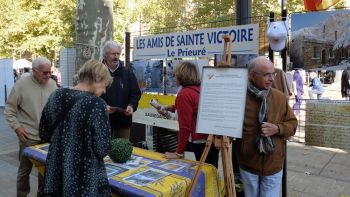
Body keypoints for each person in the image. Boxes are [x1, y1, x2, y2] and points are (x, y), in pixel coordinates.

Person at [39, 59, 113, 196]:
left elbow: (44, 133)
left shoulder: (56, 94)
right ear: (97, 78)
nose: (104, 91)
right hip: (84, 178)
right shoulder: (97, 104)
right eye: (105, 85)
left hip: (57, 172)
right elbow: (102, 148)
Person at [235, 56, 297, 197]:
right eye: (267, 75)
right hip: (248, 164)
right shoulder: (238, 97)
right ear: (252, 76)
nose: (272, 78)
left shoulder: (280, 98)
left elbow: (293, 124)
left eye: (273, 74)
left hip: (273, 164)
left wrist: (278, 128)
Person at [4, 56, 57, 197]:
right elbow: (9, 109)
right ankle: (22, 195)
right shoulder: (21, 85)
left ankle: (42, 194)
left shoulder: (52, 84)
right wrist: (17, 127)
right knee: (24, 171)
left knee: (45, 171)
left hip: (47, 137)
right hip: (28, 136)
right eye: (44, 72)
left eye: (49, 72)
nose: (48, 75)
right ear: (34, 71)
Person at [157, 62, 219, 168]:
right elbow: (194, 107)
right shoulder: (198, 88)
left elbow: (185, 127)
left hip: (200, 140)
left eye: (175, 74)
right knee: (212, 168)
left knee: (206, 170)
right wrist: (171, 107)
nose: (174, 76)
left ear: (181, 75)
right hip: (210, 136)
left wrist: (178, 153)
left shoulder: (184, 94)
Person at [101, 41, 141, 139]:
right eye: (113, 54)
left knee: (122, 151)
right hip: (103, 121)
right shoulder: (97, 72)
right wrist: (102, 107)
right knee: (103, 152)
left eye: (118, 53)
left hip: (123, 122)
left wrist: (131, 106)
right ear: (106, 55)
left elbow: (135, 93)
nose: (116, 56)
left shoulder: (127, 73)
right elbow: (91, 93)